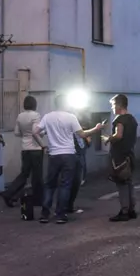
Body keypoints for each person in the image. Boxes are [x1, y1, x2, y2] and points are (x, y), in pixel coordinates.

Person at [35, 95, 103, 224]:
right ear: (66, 104)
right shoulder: (71, 117)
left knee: (49, 185)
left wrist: (43, 145)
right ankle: (60, 214)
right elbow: (82, 134)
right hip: (69, 155)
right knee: (65, 185)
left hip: (53, 155)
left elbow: (35, 132)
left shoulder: (48, 117)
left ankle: (44, 214)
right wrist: (96, 129)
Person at [3, 96, 44, 208]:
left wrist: (25, 135)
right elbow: (36, 132)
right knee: (37, 175)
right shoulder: (36, 115)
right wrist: (43, 144)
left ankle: (9, 193)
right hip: (35, 149)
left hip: (25, 148)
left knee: (24, 174)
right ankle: (38, 199)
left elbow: (16, 132)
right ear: (34, 104)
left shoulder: (20, 116)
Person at [103, 94, 138, 222]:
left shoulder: (120, 120)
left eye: (113, 105)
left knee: (122, 183)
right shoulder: (132, 119)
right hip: (130, 154)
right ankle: (131, 209)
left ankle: (124, 211)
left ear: (118, 105)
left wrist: (108, 139)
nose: (112, 108)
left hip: (120, 157)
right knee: (129, 183)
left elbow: (118, 135)